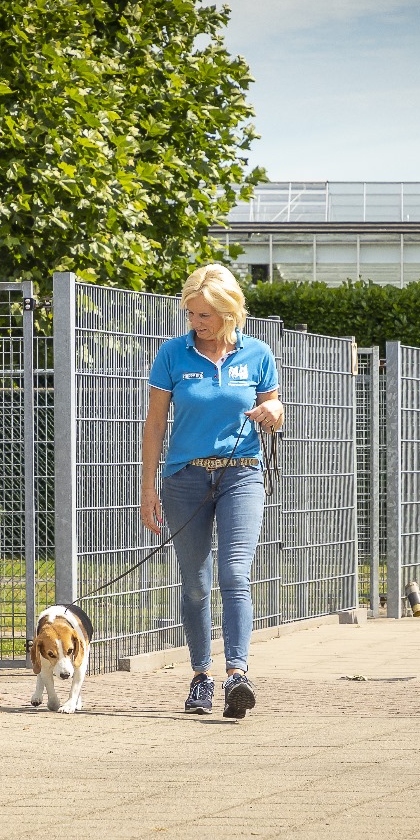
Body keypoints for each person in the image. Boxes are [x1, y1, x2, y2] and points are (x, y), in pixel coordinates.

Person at [140, 263, 283, 719]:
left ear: (228, 312)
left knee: (235, 573)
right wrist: (148, 488)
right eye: (191, 314)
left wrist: (274, 411)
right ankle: (200, 677)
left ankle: (237, 674)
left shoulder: (257, 353)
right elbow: (156, 423)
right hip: (185, 478)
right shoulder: (173, 354)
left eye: (204, 315)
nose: (196, 323)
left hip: (242, 474)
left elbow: (272, 403)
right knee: (197, 584)